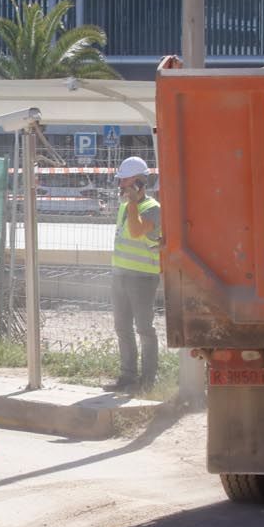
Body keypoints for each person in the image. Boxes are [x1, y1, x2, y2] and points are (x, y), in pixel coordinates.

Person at [108, 154, 163, 394]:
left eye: (126, 182)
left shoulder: (153, 209)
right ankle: (127, 377)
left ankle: (149, 381)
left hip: (142, 278)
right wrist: (129, 202)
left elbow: (138, 230)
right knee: (122, 327)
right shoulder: (124, 206)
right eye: (121, 182)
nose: (121, 186)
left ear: (140, 183)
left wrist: (132, 202)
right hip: (120, 275)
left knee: (144, 329)